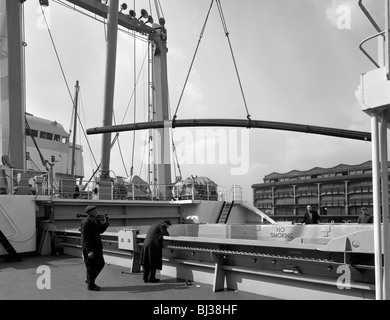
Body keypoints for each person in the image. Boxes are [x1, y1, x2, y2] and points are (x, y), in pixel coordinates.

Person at [80, 205, 109, 291]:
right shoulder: (86, 223)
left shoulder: (95, 220)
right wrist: (89, 251)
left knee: (100, 264)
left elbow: (100, 230)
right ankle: (91, 286)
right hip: (90, 249)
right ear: (89, 212)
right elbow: (85, 239)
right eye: (94, 210)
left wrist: (106, 223)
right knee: (91, 267)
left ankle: (89, 280)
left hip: (97, 247)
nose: (96, 212)